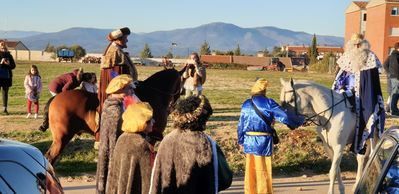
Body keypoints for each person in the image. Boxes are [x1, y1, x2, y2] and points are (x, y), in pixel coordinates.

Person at [149, 95, 231, 194]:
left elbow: (157, 177)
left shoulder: (167, 140)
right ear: (202, 119)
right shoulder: (206, 143)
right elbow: (225, 178)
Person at [237, 78, 304, 194]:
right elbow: (284, 116)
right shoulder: (268, 103)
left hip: (248, 140)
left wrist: (241, 141)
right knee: (263, 170)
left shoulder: (246, 103)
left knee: (250, 170)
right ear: (264, 90)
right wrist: (298, 121)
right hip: (263, 141)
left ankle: (250, 191)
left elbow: (241, 125)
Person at [332, 33, 385, 154]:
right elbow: (340, 76)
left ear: (363, 44)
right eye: (354, 44)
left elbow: (373, 80)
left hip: (364, 93)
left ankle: (363, 141)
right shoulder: (346, 56)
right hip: (346, 89)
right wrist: (339, 88)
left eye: (358, 44)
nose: (356, 47)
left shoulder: (371, 57)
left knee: (367, 112)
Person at [96, 74, 136, 194]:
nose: (132, 90)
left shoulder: (116, 104)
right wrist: (117, 160)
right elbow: (113, 139)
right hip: (113, 153)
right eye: (129, 88)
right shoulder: (115, 110)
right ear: (120, 90)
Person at [106, 102, 154, 194]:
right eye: (150, 120)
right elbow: (146, 181)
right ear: (141, 122)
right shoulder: (141, 143)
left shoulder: (122, 138)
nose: (153, 122)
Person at [98, 27, 138, 115]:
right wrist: (125, 87)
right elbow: (114, 74)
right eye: (126, 38)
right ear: (119, 40)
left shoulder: (117, 50)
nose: (127, 41)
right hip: (121, 90)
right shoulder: (114, 52)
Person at [0, 40, 16, 115]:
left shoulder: (9, 55)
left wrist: (8, 64)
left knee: (5, 93)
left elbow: (13, 66)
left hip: (6, 77)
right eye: (1, 48)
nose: (3, 50)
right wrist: (1, 62)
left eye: (4, 48)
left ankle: (5, 108)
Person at [383, 42, 399, 116]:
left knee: (394, 94)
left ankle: (392, 109)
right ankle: (394, 110)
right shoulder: (394, 56)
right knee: (395, 94)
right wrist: (389, 74)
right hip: (396, 77)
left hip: (394, 77)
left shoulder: (392, 55)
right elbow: (386, 65)